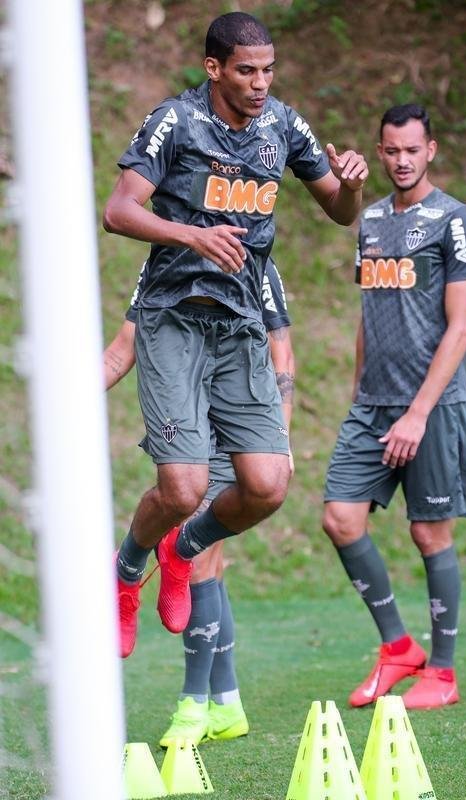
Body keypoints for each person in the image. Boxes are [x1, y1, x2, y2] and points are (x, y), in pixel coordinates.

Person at [103, 11, 368, 659]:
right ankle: (126, 569)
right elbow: (119, 210)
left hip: (241, 322)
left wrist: (355, 188)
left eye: (268, 69)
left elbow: (337, 211)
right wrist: (192, 233)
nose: (259, 83)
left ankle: (179, 546)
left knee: (267, 486)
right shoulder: (177, 121)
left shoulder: (283, 124)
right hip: (173, 317)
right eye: (246, 71)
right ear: (213, 68)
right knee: (184, 488)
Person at [322, 104, 466, 710]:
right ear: (381, 151)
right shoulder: (369, 222)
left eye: (412, 149)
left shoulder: (455, 221)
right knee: (341, 517)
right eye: (390, 150)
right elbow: (371, 312)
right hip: (373, 403)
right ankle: (398, 649)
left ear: (431, 150)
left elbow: (461, 328)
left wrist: (417, 413)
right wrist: (358, 386)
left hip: (432, 405)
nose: (401, 160)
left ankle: (442, 672)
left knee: (427, 532)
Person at [105, 257, 294, 744]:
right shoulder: (164, 259)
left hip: (241, 428)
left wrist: (279, 440)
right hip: (188, 427)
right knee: (203, 559)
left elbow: (282, 356)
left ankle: (193, 706)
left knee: (203, 560)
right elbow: (122, 350)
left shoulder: (255, 260)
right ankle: (224, 702)